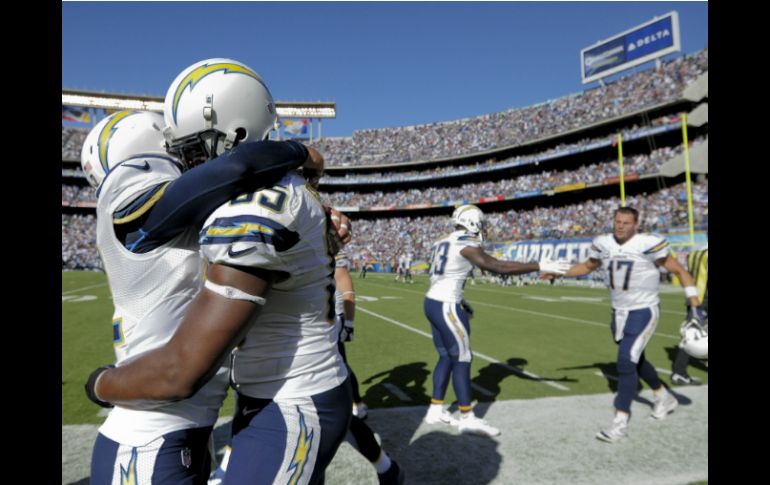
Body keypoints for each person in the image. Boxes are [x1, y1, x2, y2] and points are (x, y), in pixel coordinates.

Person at [85, 58, 354, 485]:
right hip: (255, 398)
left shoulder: (254, 204)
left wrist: (99, 383)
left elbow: (182, 370)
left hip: (288, 395)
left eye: (192, 149)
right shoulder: (249, 198)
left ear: (237, 134)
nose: (187, 165)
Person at [558, 206, 705, 443]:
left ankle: (620, 422)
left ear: (636, 224)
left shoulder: (648, 243)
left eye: (626, 222)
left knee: (626, 361)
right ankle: (663, 396)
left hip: (644, 310)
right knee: (636, 359)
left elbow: (680, 271)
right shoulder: (603, 243)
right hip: (619, 312)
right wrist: (558, 272)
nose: (620, 226)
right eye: (617, 221)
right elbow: (586, 267)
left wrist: (695, 306)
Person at [422, 204, 570, 437]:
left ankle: (435, 409)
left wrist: (459, 299)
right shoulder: (465, 243)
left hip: (432, 301)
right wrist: (539, 265)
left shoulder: (442, 241)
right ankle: (467, 417)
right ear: (473, 222)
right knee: (462, 358)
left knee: (445, 356)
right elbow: (497, 266)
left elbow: (447, 274)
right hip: (447, 306)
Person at [671, 245, 708, 385]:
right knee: (692, 336)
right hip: (704, 297)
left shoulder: (695, 251)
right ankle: (679, 372)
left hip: (693, 295)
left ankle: (679, 372)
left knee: (692, 334)